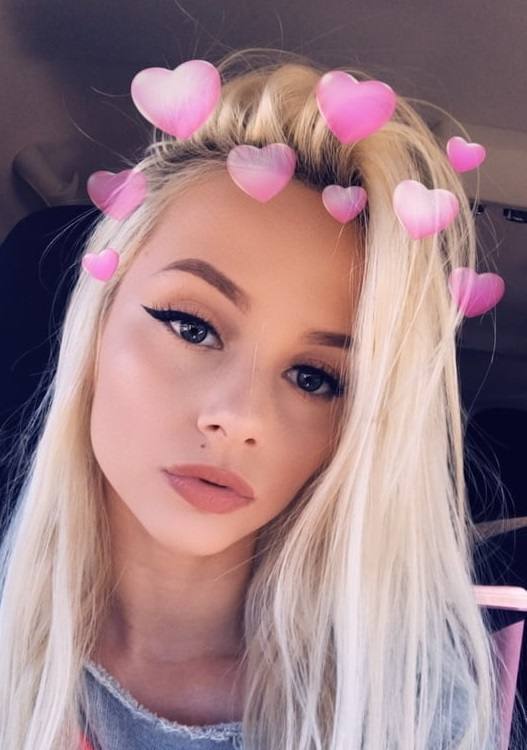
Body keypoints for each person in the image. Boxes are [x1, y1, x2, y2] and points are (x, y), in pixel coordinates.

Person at [0, 46, 523, 750]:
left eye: (315, 378)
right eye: (192, 326)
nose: (239, 417)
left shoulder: (413, 713)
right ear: (93, 327)